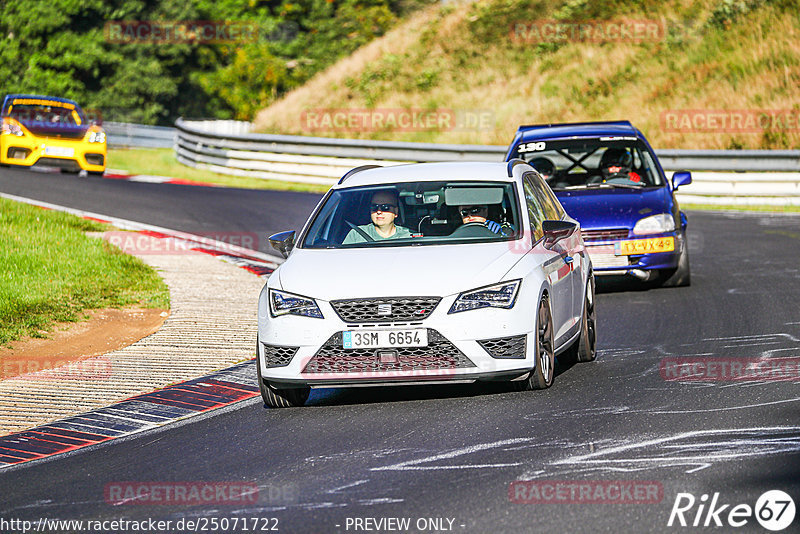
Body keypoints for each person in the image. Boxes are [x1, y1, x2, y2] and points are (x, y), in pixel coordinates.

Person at [342, 189, 411, 244]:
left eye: (385, 207)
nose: (379, 211)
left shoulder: (408, 236)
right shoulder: (356, 235)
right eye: (375, 207)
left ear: (396, 211)